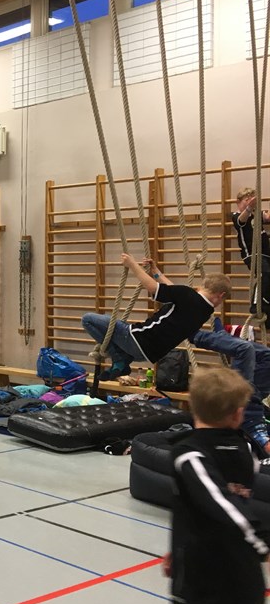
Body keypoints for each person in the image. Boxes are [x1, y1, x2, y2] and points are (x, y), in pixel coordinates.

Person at [157, 366, 270, 604]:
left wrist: (262, 544)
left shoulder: (189, 455)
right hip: (242, 588)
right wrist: (182, 548)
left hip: (210, 592)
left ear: (191, 406)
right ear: (238, 414)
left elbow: (226, 508)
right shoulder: (246, 451)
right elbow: (209, 510)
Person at [81, 254, 231, 380]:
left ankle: (119, 358)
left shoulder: (187, 295)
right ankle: (122, 358)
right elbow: (174, 291)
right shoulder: (205, 312)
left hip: (136, 340)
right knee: (105, 324)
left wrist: (132, 264)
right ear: (221, 295)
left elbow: (154, 288)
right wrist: (156, 272)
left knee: (88, 319)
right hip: (148, 355)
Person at [190, 320, 270, 455]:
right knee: (267, 357)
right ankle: (223, 336)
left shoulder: (251, 444)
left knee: (244, 349)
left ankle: (194, 336)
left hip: (242, 403)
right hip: (254, 400)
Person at [232, 186, 270, 324]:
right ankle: (255, 304)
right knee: (263, 273)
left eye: (251, 200)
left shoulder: (256, 214)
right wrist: (249, 208)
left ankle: (267, 312)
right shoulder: (237, 216)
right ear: (238, 202)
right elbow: (241, 221)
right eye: (246, 200)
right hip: (252, 254)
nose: (249, 203)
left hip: (266, 253)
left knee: (268, 278)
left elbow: (267, 217)